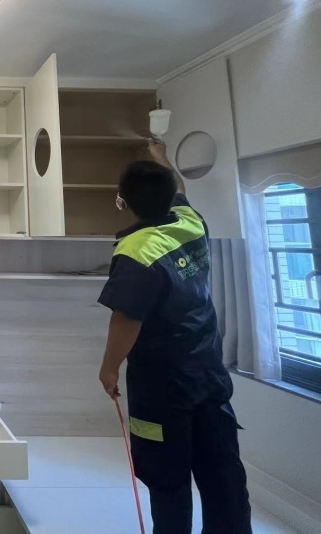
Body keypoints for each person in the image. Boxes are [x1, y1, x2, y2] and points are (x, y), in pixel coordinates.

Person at [97, 140, 252, 534]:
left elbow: (126, 319)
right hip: (209, 375)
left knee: (167, 480)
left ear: (122, 202)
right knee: (223, 475)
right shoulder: (189, 222)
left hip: (162, 388)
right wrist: (160, 155)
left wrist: (109, 369)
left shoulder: (137, 250)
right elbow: (179, 188)